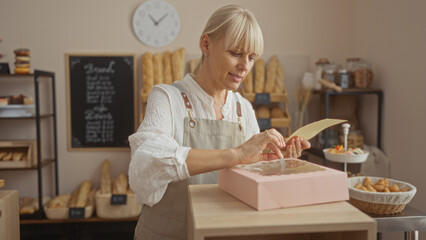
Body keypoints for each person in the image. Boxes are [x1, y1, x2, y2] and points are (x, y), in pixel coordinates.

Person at [128, 5, 310, 240]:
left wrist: (277, 162)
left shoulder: (242, 109)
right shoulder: (167, 98)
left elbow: (250, 181)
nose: (245, 66)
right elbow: (145, 165)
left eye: (252, 57)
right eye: (235, 53)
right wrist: (236, 154)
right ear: (206, 45)